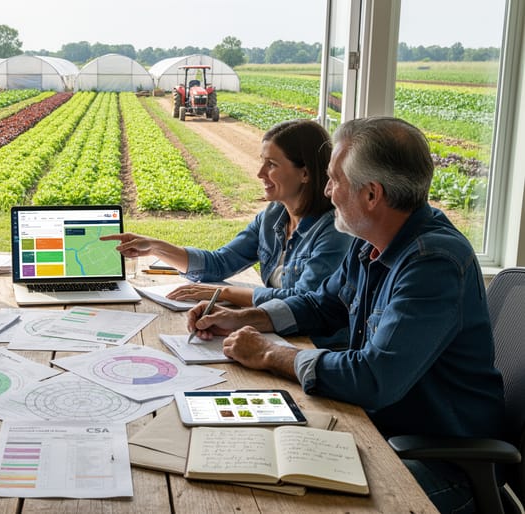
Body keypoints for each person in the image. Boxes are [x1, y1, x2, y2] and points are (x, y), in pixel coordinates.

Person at [187, 116, 504, 514]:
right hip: (378, 431)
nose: (327, 191)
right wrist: (244, 318)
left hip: (436, 464)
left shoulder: (432, 264)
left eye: (335, 180)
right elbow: (323, 304)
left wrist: (271, 354)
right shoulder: (369, 239)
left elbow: (373, 377)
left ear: (372, 194)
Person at [102, 119, 352, 309]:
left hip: (314, 344)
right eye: (262, 161)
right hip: (276, 328)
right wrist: (156, 247)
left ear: (305, 173)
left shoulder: (334, 231)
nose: (260, 173)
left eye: (272, 164)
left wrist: (223, 294)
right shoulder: (274, 216)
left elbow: (302, 302)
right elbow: (220, 263)